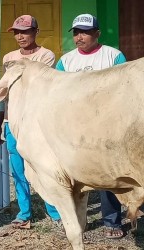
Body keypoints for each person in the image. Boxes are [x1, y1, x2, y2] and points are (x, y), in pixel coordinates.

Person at [55, 13, 127, 239]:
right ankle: (75, 220)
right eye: (76, 32)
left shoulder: (114, 56)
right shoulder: (66, 61)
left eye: (85, 32)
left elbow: (124, 89)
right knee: (72, 175)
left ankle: (111, 220)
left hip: (107, 127)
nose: (79, 37)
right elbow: (56, 93)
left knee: (106, 173)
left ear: (97, 33)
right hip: (75, 128)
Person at [0, 14, 62, 229]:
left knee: (43, 166)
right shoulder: (8, 57)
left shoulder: (46, 56)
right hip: (12, 121)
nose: (21, 36)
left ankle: (54, 210)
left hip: (37, 121)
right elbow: (7, 91)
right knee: (17, 168)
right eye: (17, 32)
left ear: (36, 32)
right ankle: (24, 213)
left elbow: (41, 88)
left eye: (25, 31)